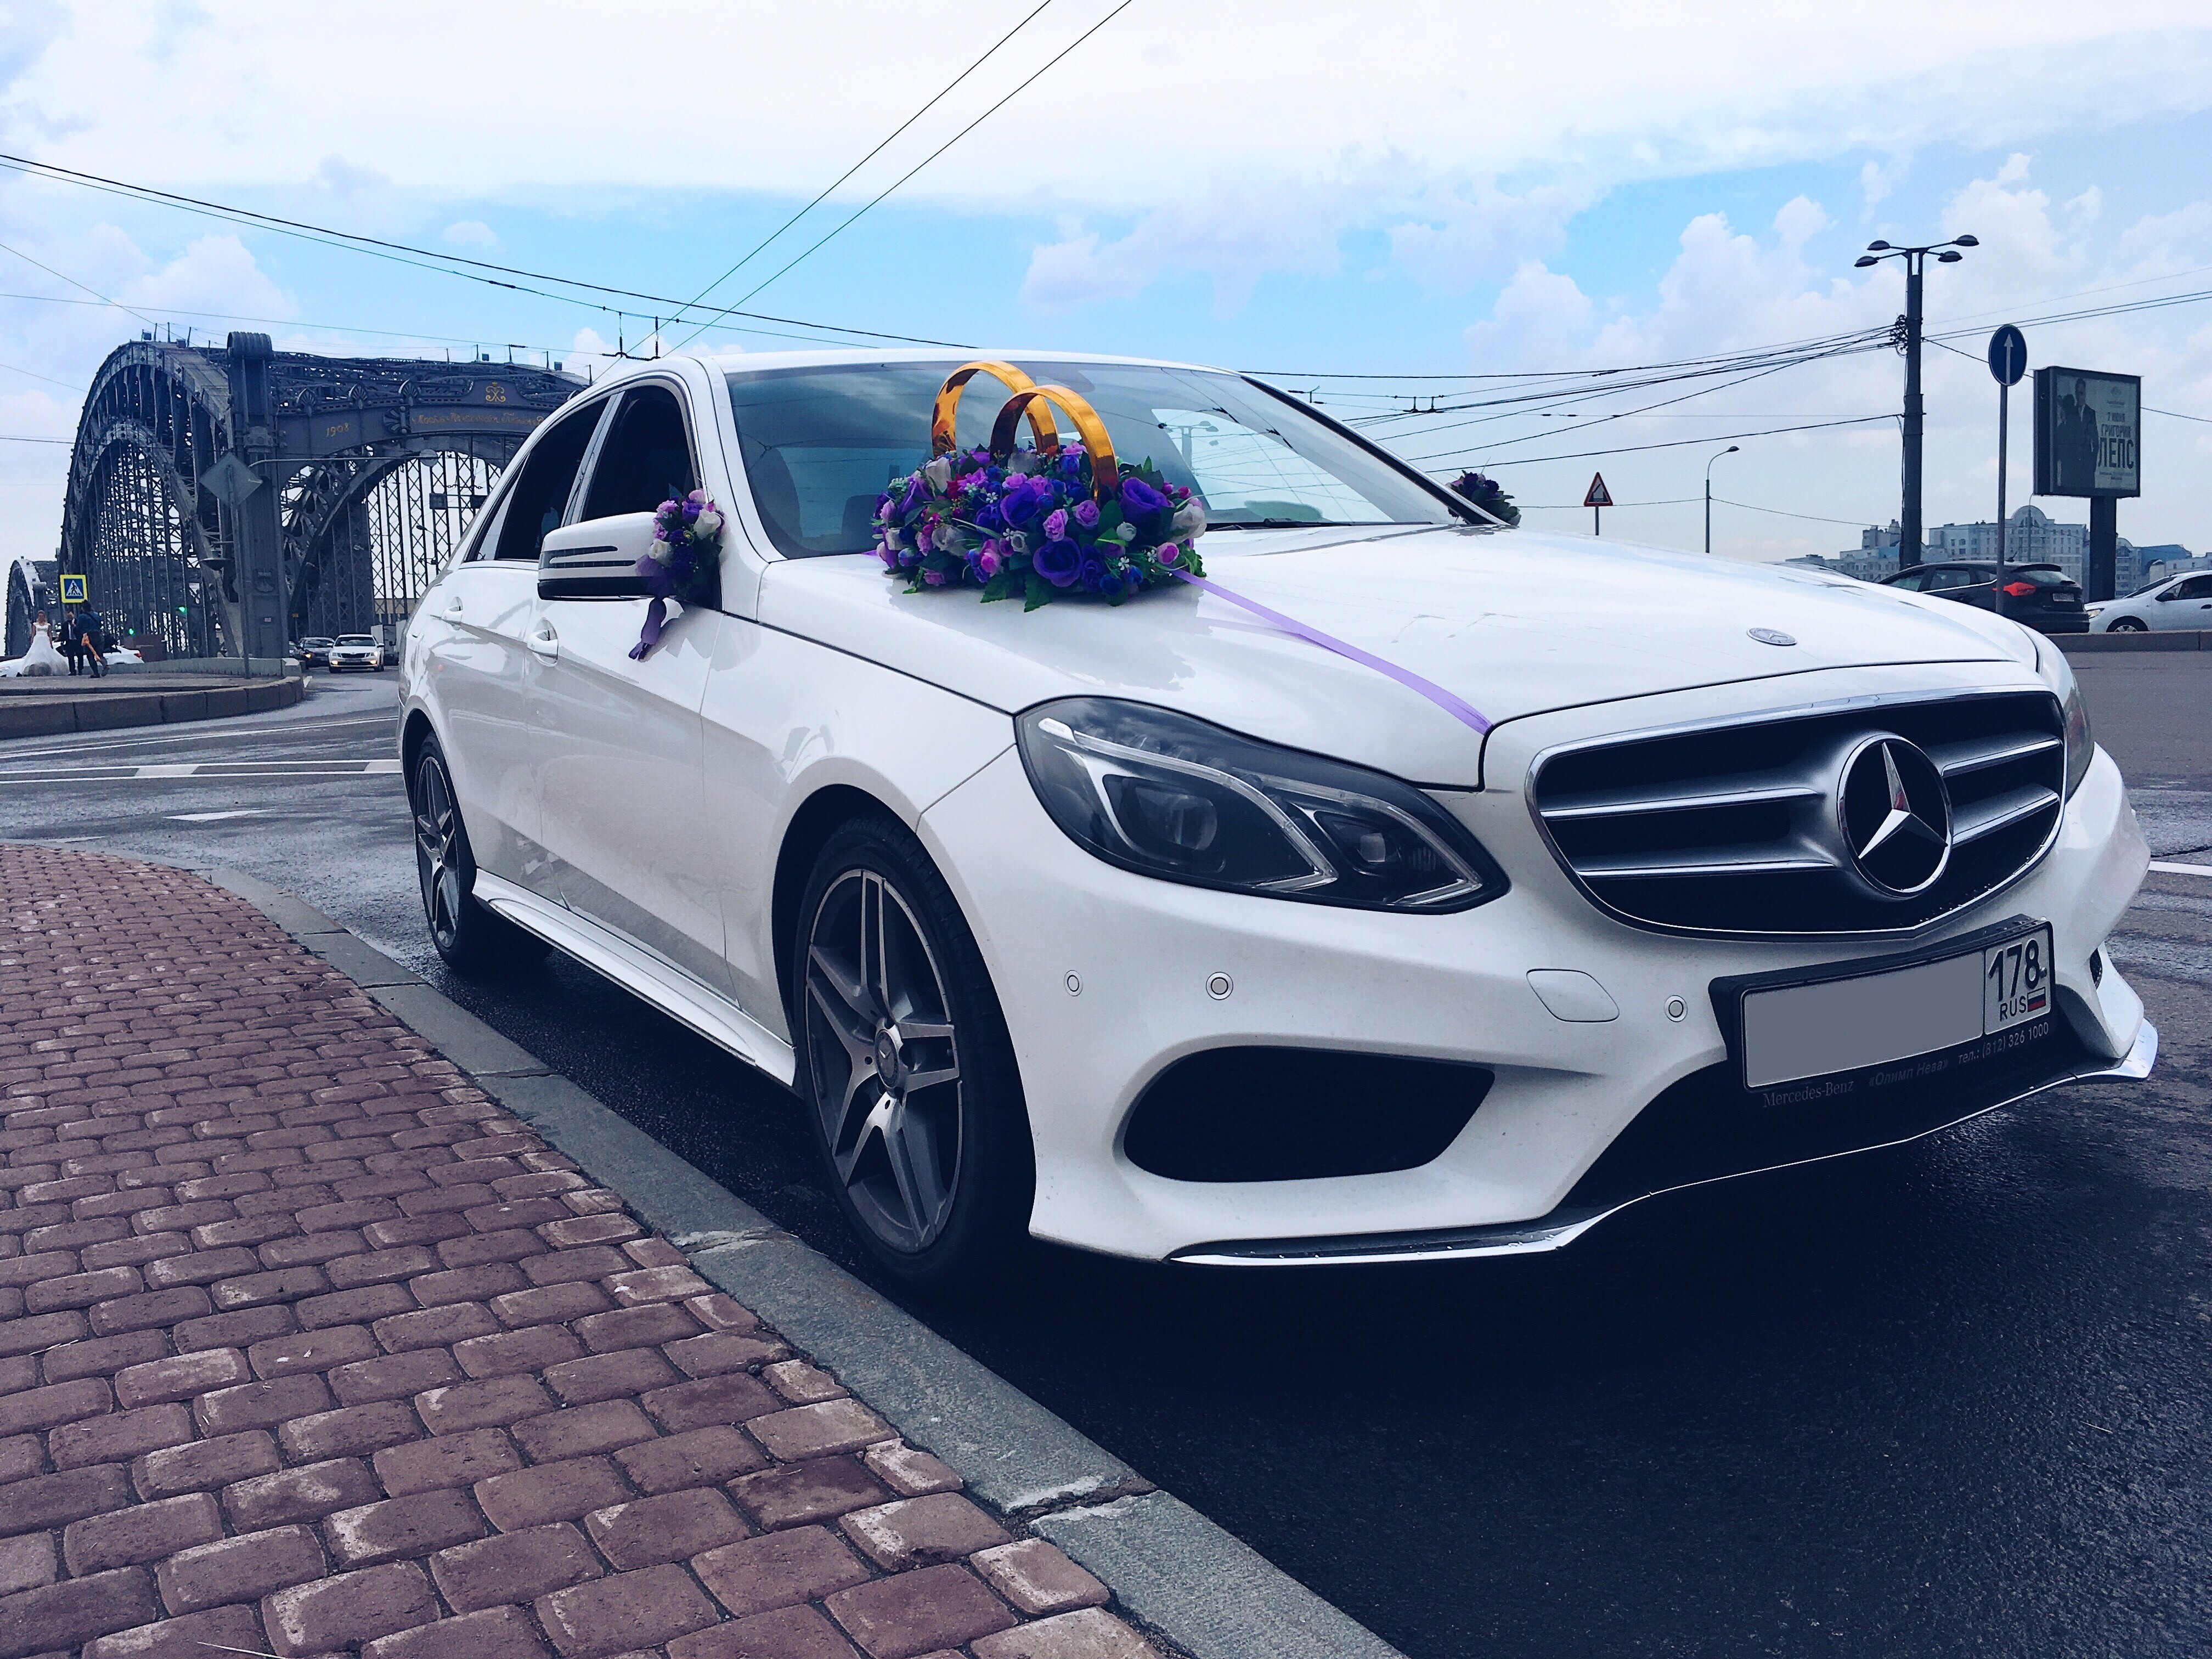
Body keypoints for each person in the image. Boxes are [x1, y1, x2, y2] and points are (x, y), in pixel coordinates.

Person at [0, 609, 66, 677]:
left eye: (42, 616)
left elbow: (49, 634)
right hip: (38, 639)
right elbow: (33, 634)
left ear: (44, 617)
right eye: (40, 616)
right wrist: (32, 641)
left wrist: (50, 643)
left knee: (47, 654)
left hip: (45, 639)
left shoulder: (48, 625)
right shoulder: (35, 625)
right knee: (35, 654)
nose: (41, 617)